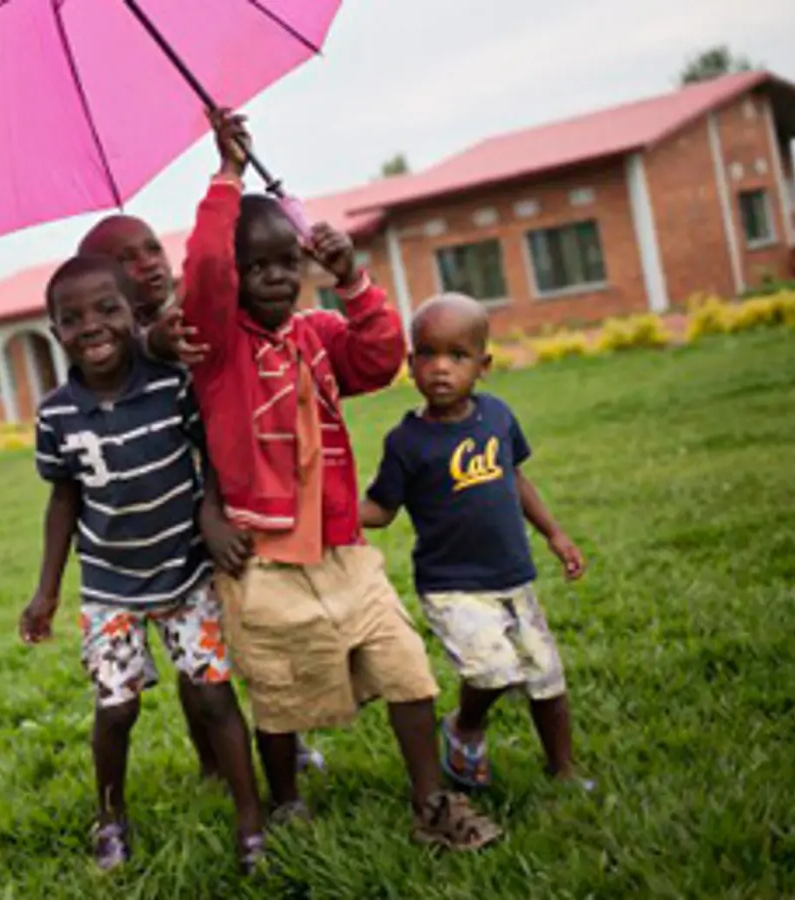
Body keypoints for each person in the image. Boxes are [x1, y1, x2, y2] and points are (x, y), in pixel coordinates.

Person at [180, 109, 502, 850]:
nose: (275, 276)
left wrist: (353, 278)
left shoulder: (319, 335)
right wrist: (227, 174)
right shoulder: (217, 348)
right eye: (255, 265)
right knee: (280, 689)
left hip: (344, 547)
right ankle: (286, 797)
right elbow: (201, 270)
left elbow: (381, 355)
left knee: (405, 664)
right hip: (263, 557)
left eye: (287, 262)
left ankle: (431, 805)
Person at [18, 254, 266, 872]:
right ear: (55, 333)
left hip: (185, 574)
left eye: (107, 309)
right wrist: (46, 590)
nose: (92, 326)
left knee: (214, 697)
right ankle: (110, 818)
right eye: (71, 318)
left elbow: (210, 455)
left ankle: (250, 822)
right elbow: (64, 498)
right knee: (116, 708)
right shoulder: (55, 414)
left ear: (135, 316)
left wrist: (212, 517)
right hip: (110, 587)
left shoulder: (169, 382)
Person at [77, 214, 327, 780]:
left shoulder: (192, 318)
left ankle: (285, 741)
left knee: (255, 632)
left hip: (231, 500)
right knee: (198, 662)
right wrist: (149, 344)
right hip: (163, 531)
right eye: (127, 258)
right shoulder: (115, 353)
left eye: (150, 247)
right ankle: (215, 763)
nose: (149, 262)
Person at [360, 292, 591, 790]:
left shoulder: (498, 417)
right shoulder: (407, 442)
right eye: (428, 354)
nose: (441, 368)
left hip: (513, 575)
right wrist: (329, 512)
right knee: (492, 671)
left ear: (482, 365)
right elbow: (382, 509)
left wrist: (554, 534)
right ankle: (465, 726)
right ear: (410, 364)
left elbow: (516, 479)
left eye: (457, 356)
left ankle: (564, 768)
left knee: (546, 676)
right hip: (452, 585)